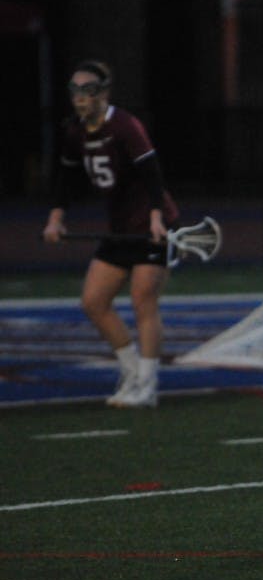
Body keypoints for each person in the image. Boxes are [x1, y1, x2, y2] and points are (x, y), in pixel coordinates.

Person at [42, 59, 179, 408]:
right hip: (120, 230)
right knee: (94, 302)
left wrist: (156, 217)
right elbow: (65, 177)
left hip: (152, 226)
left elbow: (153, 175)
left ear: (103, 92)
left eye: (87, 90)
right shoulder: (75, 131)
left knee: (142, 299)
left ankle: (147, 386)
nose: (79, 98)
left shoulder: (124, 125)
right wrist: (56, 218)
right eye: (74, 90)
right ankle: (131, 371)